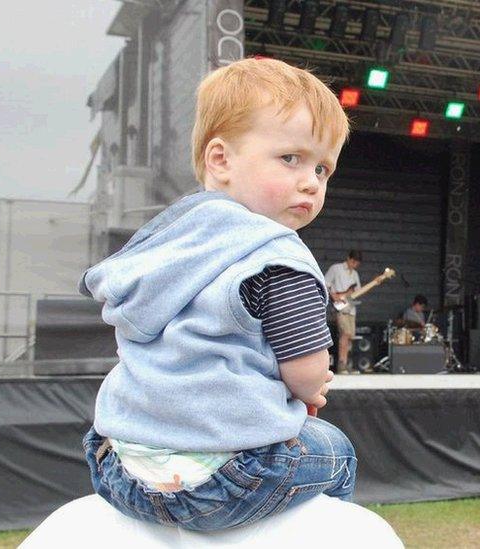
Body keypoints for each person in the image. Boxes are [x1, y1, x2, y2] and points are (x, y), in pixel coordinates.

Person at [78, 57, 355, 531]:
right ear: (221, 160)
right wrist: (312, 388)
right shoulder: (278, 256)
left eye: (323, 169)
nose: (311, 180)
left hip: (118, 468)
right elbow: (307, 372)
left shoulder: (162, 243)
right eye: (291, 158)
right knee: (337, 451)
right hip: (224, 481)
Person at [325, 250, 363, 374]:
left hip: (351, 308)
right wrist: (334, 296)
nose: (354, 264)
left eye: (356, 263)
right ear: (348, 258)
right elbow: (326, 283)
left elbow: (357, 291)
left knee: (350, 336)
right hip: (340, 308)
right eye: (353, 261)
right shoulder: (336, 268)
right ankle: (341, 365)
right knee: (345, 334)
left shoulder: (355, 274)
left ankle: (345, 364)